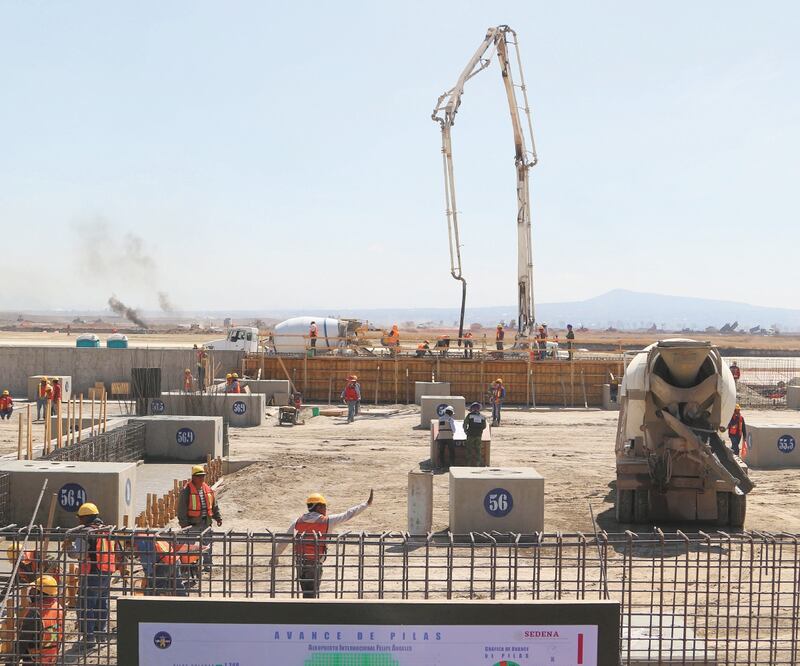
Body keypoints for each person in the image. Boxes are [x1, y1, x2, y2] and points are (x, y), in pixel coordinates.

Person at [270, 490, 373, 598]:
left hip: (300, 562)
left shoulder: (297, 522)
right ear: (319, 507)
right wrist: (366, 504)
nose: (325, 509)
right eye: (324, 507)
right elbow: (348, 514)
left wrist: (275, 556)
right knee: (311, 594)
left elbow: (284, 540)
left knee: (306, 591)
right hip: (315, 563)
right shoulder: (328, 521)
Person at [66, 503, 118, 652]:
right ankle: (100, 634)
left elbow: (77, 554)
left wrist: (68, 546)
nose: (79, 521)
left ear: (85, 518)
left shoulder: (86, 533)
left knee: (85, 606)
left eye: (80, 518)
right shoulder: (106, 530)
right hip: (106, 572)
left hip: (91, 574)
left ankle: (88, 639)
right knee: (102, 603)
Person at [177, 465, 222, 571]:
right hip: (191, 525)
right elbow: (181, 509)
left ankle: (207, 564)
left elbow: (214, 505)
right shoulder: (186, 491)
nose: (202, 478)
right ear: (193, 477)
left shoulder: (207, 489)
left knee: (208, 545)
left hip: (206, 523)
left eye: (203, 476)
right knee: (189, 546)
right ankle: (187, 567)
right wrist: (184, 525)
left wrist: (218, 517)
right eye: (199, 476)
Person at [13, 574, 64, 665]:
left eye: (33, 591)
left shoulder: (35, 613)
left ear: (40, 594)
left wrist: (10, 662)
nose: (30, 593)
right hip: (52, 656)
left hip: (35, 659)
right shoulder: (58, 607)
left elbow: (22, 643)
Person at [463, 402, 487, 467]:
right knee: (478, 450)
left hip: (470, 435)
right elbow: (484, 426)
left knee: (469, 450)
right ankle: (477, 464)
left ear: (472, 409)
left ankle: (468, 464)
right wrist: (479, 430)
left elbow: (465, 424)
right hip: (479, 435)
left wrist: (465, 431)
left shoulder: (469, 415)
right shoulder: (482, 417)